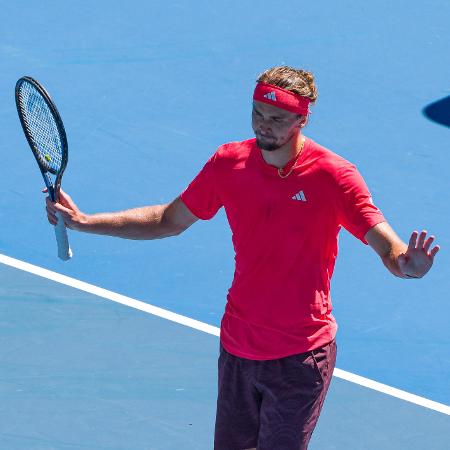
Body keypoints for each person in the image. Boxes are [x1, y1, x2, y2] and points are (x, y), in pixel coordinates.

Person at [46, 66, 440, 450]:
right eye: (257, 113)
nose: (263, 125)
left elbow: (384, 241)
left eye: (277, 118)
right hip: (237, 347)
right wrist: (84, 221)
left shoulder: (333, 176)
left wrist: (406, 264)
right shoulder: (228, 164)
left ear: (302, 119)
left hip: (300, 356)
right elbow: (168, 220)